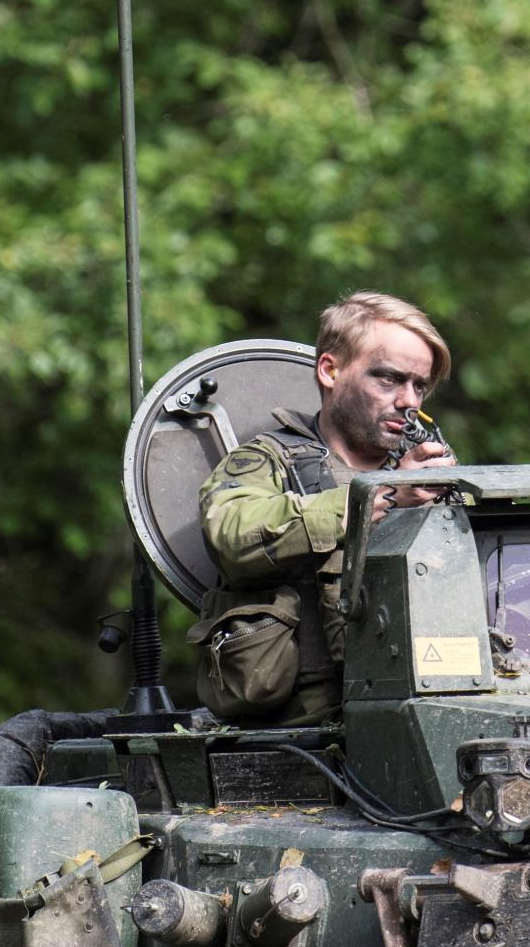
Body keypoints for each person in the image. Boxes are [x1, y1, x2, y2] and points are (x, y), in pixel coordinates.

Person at [191, 291, 456, 723]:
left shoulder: (429, 476)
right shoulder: (268, 461)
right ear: (331, 370)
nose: (409, 401)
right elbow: (230, 535)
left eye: (419, 386)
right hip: (306, 734)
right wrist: (386, 495)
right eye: (388, 379)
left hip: (425, 711)